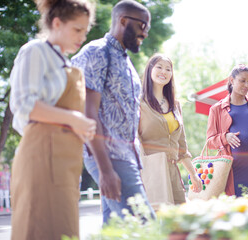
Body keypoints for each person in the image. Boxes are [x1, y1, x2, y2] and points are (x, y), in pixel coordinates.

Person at [9, 0, 96, 239]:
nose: (82, 37)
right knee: (37, 229)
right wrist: (72, 118)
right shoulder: (35, 51)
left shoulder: (66, 63)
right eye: (77, 30)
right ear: (57, 23)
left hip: (66, 163)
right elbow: (23, 105)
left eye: (85, 31)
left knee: (63, 230)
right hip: (40, 158)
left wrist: (81, 127)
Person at [71, 0, 155, 224]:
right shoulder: (98, 52)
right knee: (146, 226)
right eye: (142, 26)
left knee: (117, 231)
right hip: (109, 156)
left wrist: (135, 165)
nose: (145, 33)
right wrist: (105, 170)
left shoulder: (127, 63)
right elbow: (89, 113)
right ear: (123, 21)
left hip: (127, 158)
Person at [139, 54, 202, 208]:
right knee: (154, 221)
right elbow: (133, 140)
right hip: (151, 172)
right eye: (159, 67)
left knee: (177, 222)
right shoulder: (138, 102)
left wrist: (194, 175)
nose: (164, 72)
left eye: (168, 69)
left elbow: (182, 146)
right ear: (149, 70)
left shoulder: (175, 105)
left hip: (173, 171)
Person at [206, 64, 248, 197]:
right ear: (231, 80)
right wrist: (225, 137)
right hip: (232, 172)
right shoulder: (216, 109)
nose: (247, 85)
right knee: (235, 211)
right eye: (242, 81)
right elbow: (210, 142)